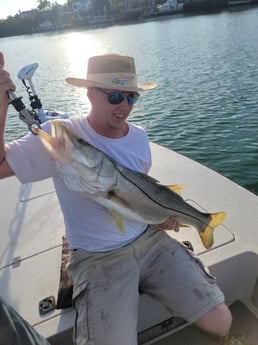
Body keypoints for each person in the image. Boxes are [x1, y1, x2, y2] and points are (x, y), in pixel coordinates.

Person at [0, 52, 232, 345]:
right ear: (90, 94)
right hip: (97, 257)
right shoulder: (61, 140)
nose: (124, 106)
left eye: (131, 98)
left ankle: (202, 226)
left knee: (221, 322)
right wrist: (1, 104)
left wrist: (161, 220)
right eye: (114, 97)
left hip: (150, 240)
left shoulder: (139, 138)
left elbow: (142, 201)